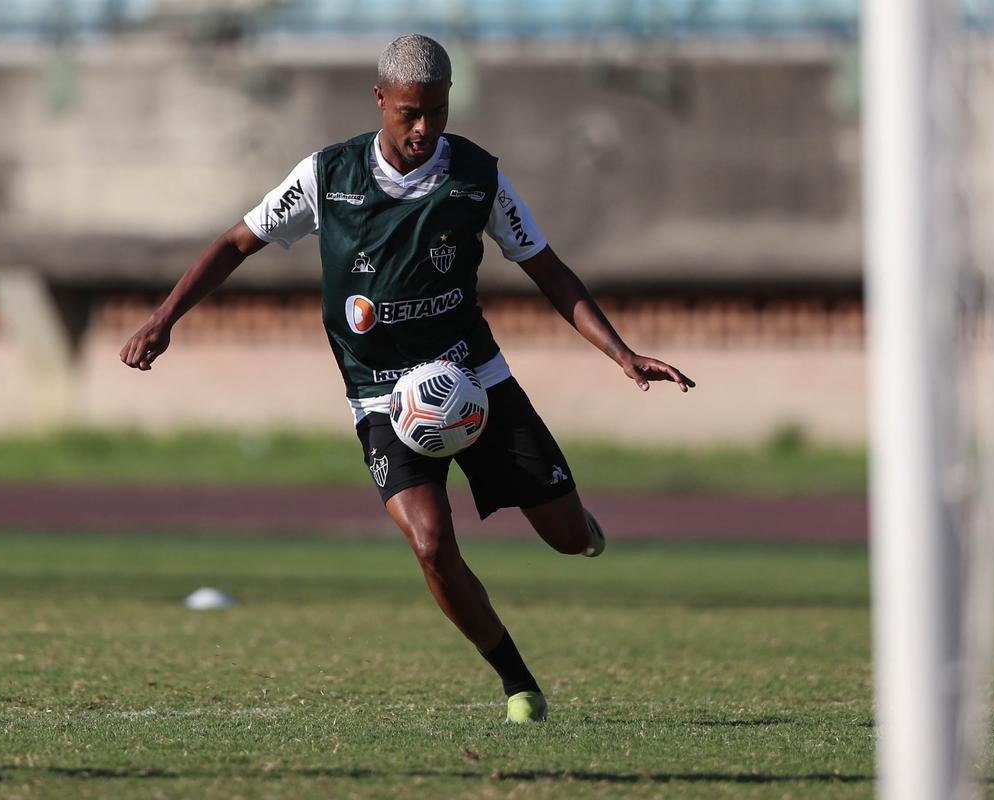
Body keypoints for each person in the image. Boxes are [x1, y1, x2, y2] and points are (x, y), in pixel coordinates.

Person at [120, 34, 695, 723]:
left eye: (437, 112)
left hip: (474, 380)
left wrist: (621, 353)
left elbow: (546, 266)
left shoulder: (477, 179)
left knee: (569, 538)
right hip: (382, 399)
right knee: (429, 543)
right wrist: (164, 319)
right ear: (381, 100)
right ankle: (518, 683)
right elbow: (234, 243)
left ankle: (582, 525)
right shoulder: (326, 176)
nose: (424, 129)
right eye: (410, 113)